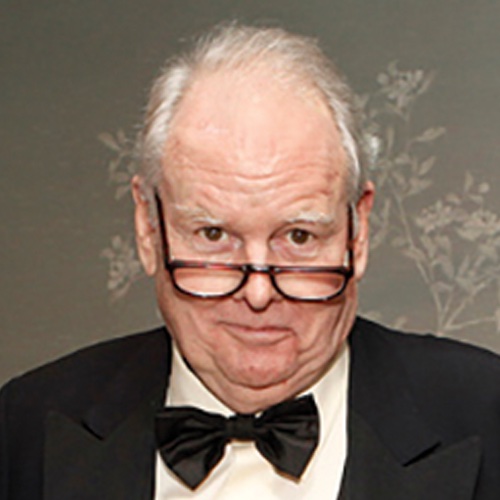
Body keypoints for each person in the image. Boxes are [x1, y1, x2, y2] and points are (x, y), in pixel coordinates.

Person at [1, 23, 500, 500]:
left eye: (299, 237)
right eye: (213, 235)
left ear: (358, 230)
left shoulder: (487, 415)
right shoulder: (22, 431)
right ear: (149, 228)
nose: (258, 293)